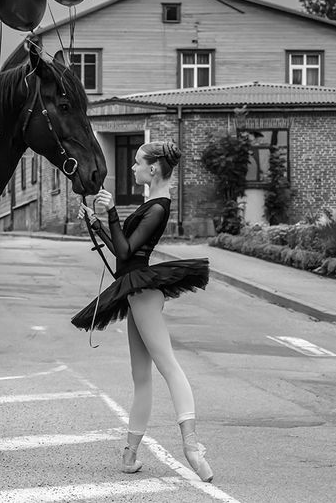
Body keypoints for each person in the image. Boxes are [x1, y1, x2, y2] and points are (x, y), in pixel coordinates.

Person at [72, 140, 214, 482]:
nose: (132, 168)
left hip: (144, 294)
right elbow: (124, 255)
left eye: (137, 163)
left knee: (169, 367)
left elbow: (126, 250)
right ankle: (130, 455)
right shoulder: (150, 203)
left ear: (153, 169)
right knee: (141, 377)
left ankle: (192, 446)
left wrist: (110, 214)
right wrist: (96, 223)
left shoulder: (158, 208)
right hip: (136, 292)